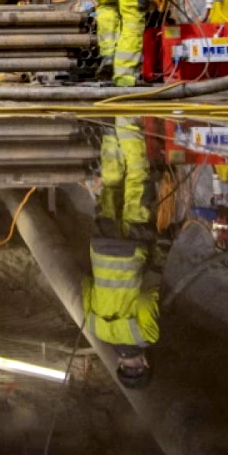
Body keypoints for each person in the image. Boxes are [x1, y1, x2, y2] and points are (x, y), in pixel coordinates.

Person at [82, 117, 160, 390]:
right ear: (119, 363)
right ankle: (109, 132)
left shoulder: (145, 336)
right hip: (102, 248)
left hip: (133, 248)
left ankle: (127, 122)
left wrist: (158, 260)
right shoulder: (96, 329)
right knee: (112, 188)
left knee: (138, 179)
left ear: (145, 363)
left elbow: (147, 297)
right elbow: (86, 285)